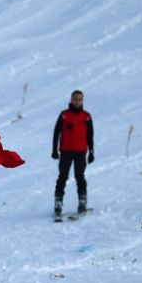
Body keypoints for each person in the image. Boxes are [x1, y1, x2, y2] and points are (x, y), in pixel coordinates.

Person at [51, 90, 94, 219]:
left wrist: (91, 151)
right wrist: (54, 150)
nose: (77, 101)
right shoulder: (64, 115)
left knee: (80, 176)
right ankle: (58, 203)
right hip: (65, 151)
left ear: (82, 101)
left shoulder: (86, 116)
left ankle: (82, 202)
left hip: (80, 152)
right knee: (62, 177)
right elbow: (56, 133)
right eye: (75, 99)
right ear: (71, 100)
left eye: (80, 99)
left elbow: (90, 136)